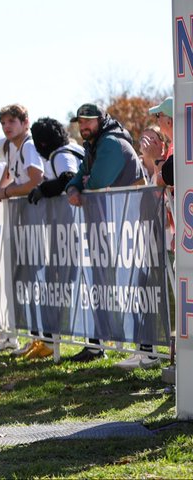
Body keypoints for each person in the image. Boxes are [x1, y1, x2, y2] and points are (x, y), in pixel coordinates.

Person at [65, 103, 146, 362]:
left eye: (89, 120)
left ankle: (144, 349)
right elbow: (78, 180)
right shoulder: (93, 145)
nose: (84, 126)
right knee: (101, 286)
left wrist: (87, 184)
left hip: (127, 227)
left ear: (101, 120)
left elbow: (98, 182)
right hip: (106, 227)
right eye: (80, 121)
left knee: (130, 286)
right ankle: (97, 345)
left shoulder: (110, 142)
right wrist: (75, 188)